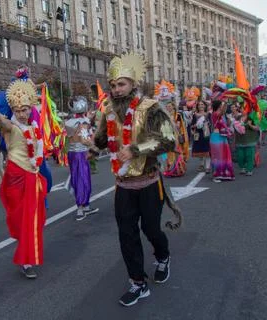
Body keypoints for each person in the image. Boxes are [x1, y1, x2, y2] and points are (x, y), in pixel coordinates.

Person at [94, 53, 181, 306]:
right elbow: (103, 141)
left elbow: (168, 140)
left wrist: (135, 149)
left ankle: (163, 257)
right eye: (113, 85)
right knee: (126, 234)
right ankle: (138, 283)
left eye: (121, 84)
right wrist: (88, 141)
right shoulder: (108, 111)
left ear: (133, 84)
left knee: (151, 229)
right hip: (123, 186)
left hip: (149, 183)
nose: (116, 89)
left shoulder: (151, 108)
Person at [0, 77, 48, 279]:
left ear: (30, 109)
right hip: (17, 176)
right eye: (18, 111)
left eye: (25, 109)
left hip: (33, 176)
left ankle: (28, 257)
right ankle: (26, 257)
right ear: (14, 112)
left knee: (33, 220)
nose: (22, 113)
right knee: (20, 219)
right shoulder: (10, 126)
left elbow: (38, 150)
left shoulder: (35, 128)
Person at [65, 96, 99, 220]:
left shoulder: (68, 122)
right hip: (81, 153)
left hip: (72, 153)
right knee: (83, 179)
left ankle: (84, 205)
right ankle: (82, 207)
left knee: (76, 178)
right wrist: (94, 145)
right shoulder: (83, 123)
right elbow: (84, 140)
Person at [210, 100, 235, 182]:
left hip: (222, 136)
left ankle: (225, 174)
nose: (222, 106)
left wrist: (225, 104)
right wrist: (226, 104)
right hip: (216, 137)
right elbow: (221, 112)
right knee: (217, 156)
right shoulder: (214, 114)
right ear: (218, 106)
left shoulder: (221, 115)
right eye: (221, 105)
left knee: (225, 155)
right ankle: (216, 175)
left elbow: (223, 113)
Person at [162, 102, 188, 177]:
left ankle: (178, 169)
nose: (168, 108)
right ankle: (168, 168)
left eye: (169, 106)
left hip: (175, 136)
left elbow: (177, 126)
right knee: (166, 154)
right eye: (167, 106)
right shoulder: (164, 115)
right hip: (166, 136)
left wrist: (170, 121)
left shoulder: (177, 115)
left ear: (173, 107)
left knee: (176, 152)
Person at [191, 101, 211, 173]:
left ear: (205, 106)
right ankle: (202, 164)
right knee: (200, 150)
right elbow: (192, 125)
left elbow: (211, 123)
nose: (201, 106)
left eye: (202, 104)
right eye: (199, 105)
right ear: (197, 106)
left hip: (206, 133)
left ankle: (207, 167)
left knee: (207, 149)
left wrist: (207, 124)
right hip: (198, 134)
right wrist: (196, 125)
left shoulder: (208, 114)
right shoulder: (195, 115)